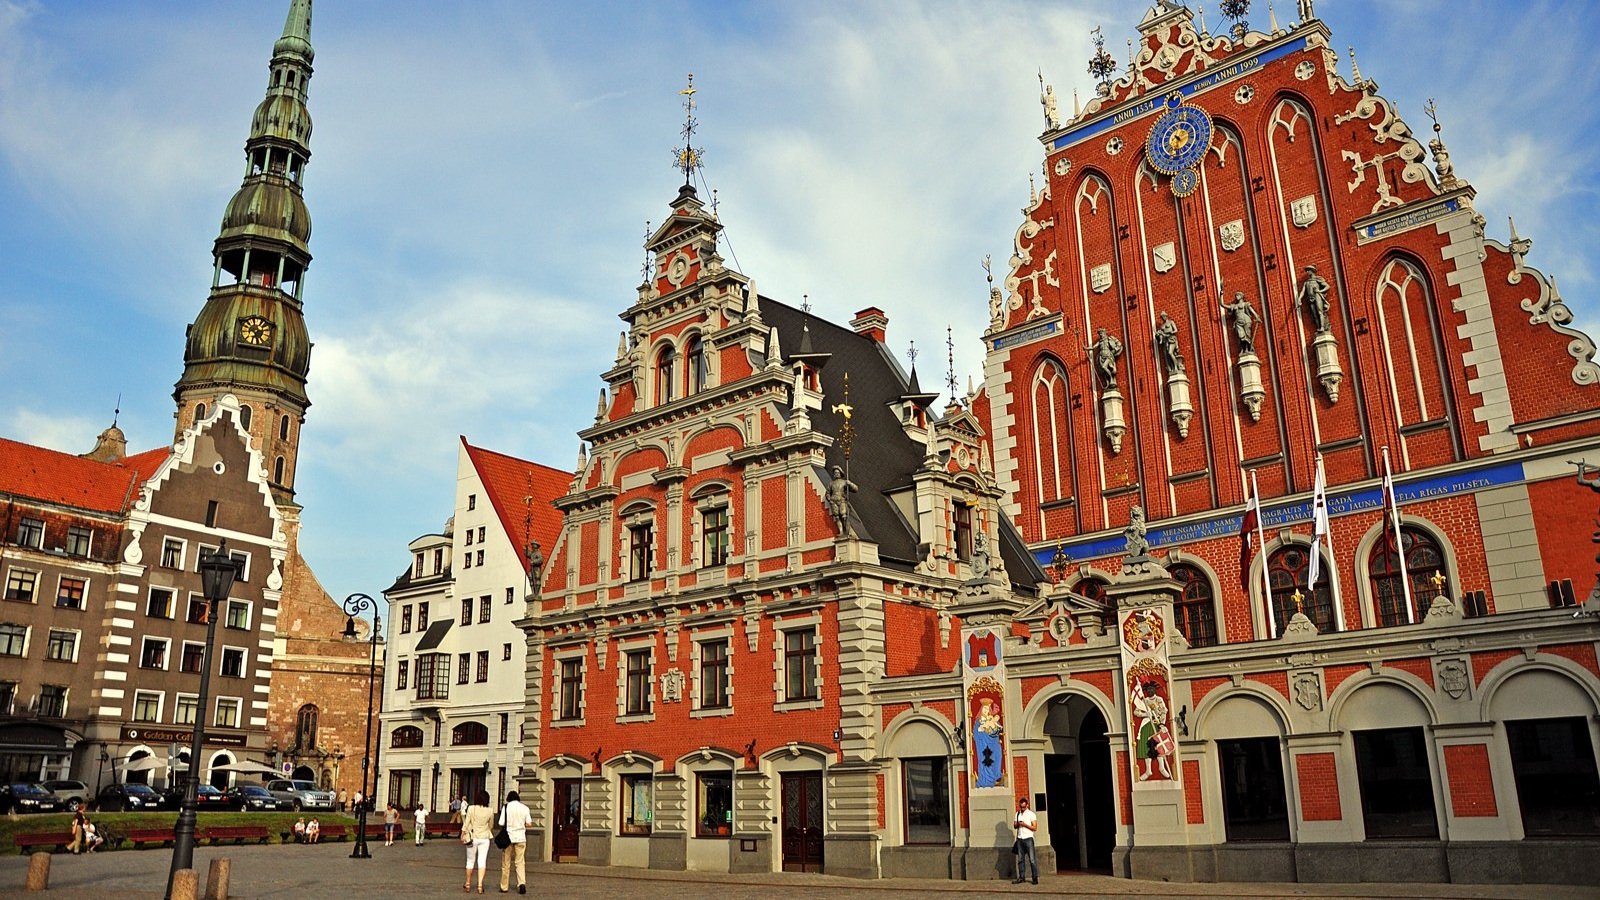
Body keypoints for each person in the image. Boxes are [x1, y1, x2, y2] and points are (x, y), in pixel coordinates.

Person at [497, 790, 533, 894]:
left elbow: (501, 822)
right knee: (520, 862)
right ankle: (521, 883)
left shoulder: (506, 807)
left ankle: (504, 886)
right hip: (521, 838)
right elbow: (529, 823)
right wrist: (521, 825)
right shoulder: (525, 808)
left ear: (508, 798)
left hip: (508, 838)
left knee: (506, 863)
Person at [461, 789, 495, 894]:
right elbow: (491, 825)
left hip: (472, 837)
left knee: (470, 861)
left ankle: (467, 883)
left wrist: (463, 834)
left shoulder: (471, 808)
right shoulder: (490, 810)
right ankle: (480, 885)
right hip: (484, 838)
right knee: (482, 861)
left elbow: (466, 823)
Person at [1011, 796, 1038, 885]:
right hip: (1020, 839)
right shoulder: (1017, 814)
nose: (1022, 808)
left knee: (1032, 859)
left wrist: (1025, 825)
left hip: (1028, 838)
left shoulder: (1031, 814)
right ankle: (1021, 877)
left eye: (1024, 807)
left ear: (1027, 805)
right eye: (1021, 807)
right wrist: (1018, 824)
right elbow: (1014, 826)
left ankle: (1035, 877)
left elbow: (1034, 827)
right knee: (1020, 859)